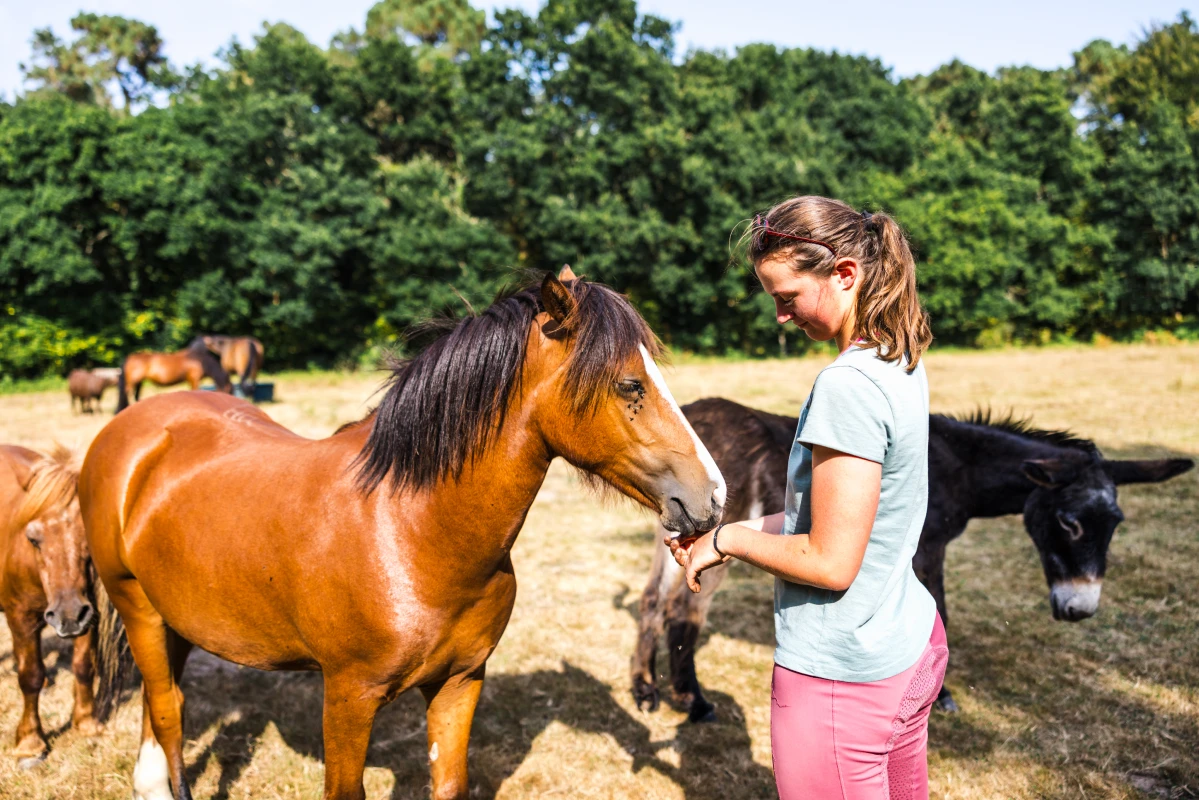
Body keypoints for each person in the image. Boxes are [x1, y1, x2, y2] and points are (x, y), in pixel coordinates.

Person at [672, 195, 947, 799]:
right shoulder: (897, 358)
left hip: (843, 679)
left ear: (844, 274)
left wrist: (735, 536)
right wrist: (724, 540)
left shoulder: (845, 387)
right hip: (907, 643)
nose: (780, 316)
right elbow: (832, 518)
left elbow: (831, 561)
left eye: (787, 298)